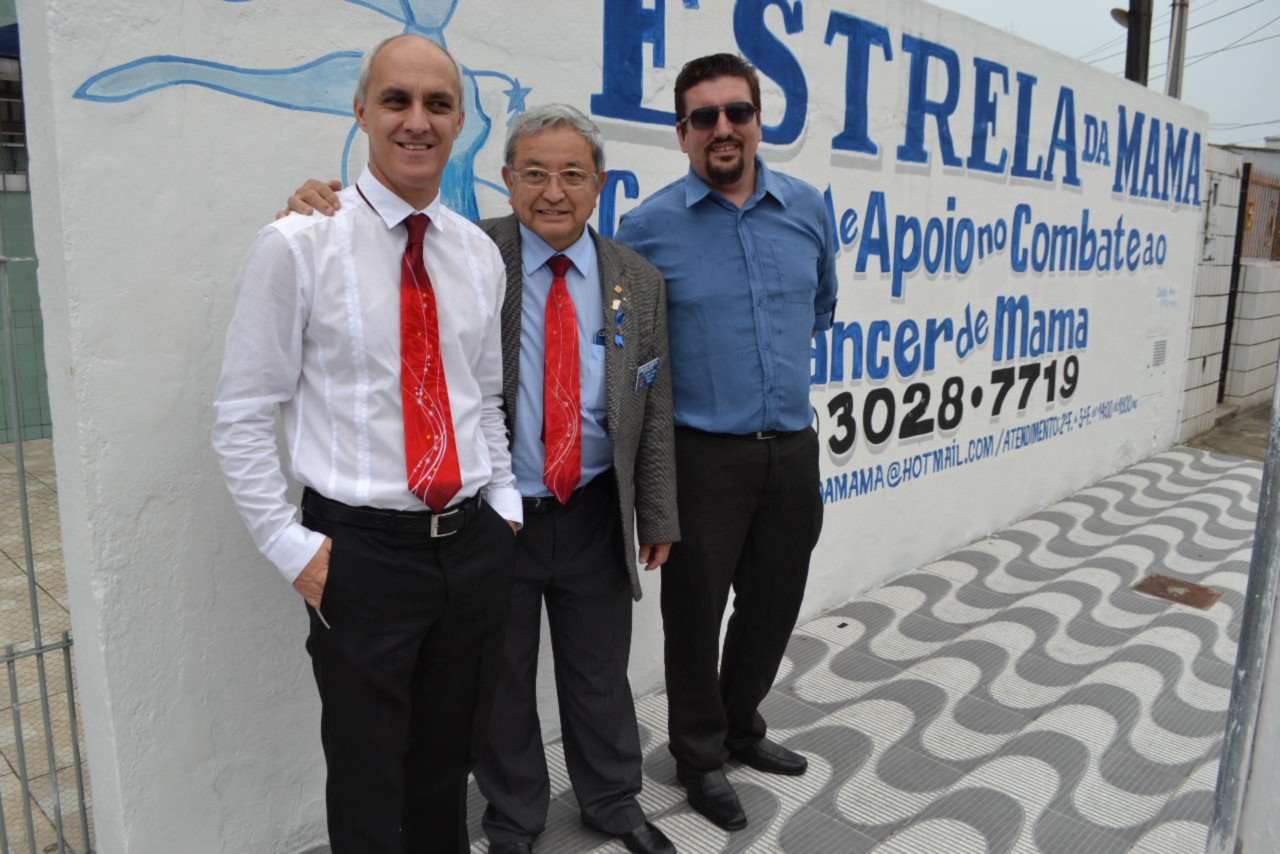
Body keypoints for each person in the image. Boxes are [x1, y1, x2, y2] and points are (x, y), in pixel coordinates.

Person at [281, 105, 679, 854]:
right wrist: (310, 208)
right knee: (498, 682)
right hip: (496, 515)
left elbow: (652, 402)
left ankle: (612, 799)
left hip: (594, 511)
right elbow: (373, 251)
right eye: (534, 174)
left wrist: (656, 512)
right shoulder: (467, 253)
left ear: (599, 184)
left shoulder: (637, 279)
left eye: (572, 174)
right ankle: (514, 817)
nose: (553, 192)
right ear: (507, 179)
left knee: (600, 672)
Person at [212, 34, 521, 854]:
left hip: (471, 546)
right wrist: (291, 548)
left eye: (437, 104)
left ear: (460, 122)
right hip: (360, 557)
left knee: (445, 773)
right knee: (367, 785)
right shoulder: (297, 242)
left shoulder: (479, 255)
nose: (417, 121)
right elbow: (243, 411)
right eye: (396, 100)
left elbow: (484, 397)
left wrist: (505, 509)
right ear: (360, 111)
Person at [613, 53, 837, 832]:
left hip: (792, 450)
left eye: (736, 112)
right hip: (702, 457)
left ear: (758, 122)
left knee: (773, 606)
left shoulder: (807, 209)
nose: (722, 128)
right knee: (694, 617)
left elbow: (820, 307)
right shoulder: (646, 230)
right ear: (682, 134)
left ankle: (742, 726)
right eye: (703, 117)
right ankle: (699, 757)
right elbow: (631, 354)